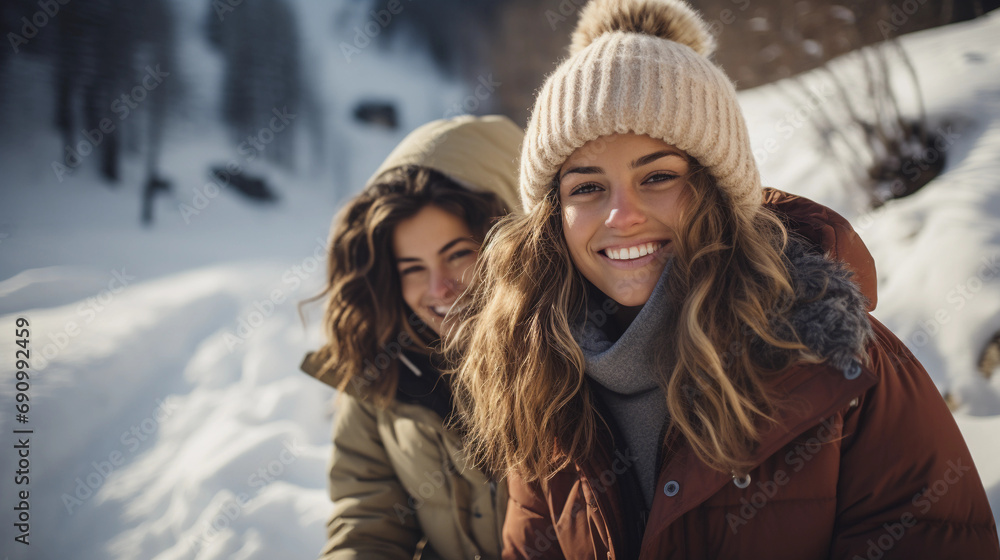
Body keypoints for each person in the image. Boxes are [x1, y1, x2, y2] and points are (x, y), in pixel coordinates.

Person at [446, 1, 1000, 559]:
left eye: (658, 176)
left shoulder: (842, 371)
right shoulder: (539, 381)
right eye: (586, 188)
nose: (622, 215)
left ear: (718, 193)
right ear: (551, 217)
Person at [300, 115, 523, 560]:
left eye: (458, 254)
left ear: (512, 242)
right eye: (413, 269)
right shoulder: (379, 372)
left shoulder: (580, 356)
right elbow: (367, 522)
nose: (439, 289)